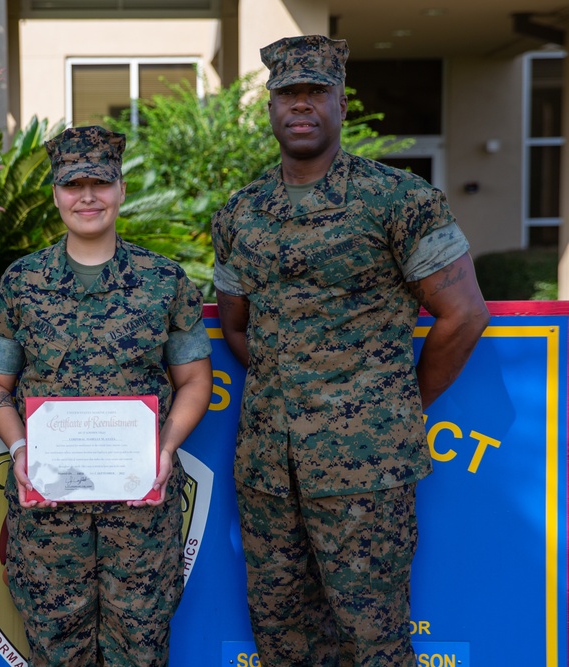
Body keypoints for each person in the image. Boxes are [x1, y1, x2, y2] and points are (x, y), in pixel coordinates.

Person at [211, 35, 490, 666]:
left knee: (373, 642)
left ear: (340, 101)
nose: (301, 105)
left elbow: (464, 314)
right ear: (272, 106)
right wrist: (294, 390)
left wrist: (393, 402)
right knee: (280, 637)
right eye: (288, 93)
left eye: (316, 92)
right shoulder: (241, 214)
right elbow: (236, 327)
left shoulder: (398, 200)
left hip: (366, 472)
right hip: (267, 472)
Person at [0, 126, 214, 666]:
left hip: (140, 512)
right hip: (50, 515)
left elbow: (195, 380)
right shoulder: (22, 283)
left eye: (100, 183)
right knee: (56, 649)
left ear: (121, 190)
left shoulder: (163, 280)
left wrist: (166, 447)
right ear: (56, 193)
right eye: (72, 184)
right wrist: (19, 448)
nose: (87, 197)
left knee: (140, 647)